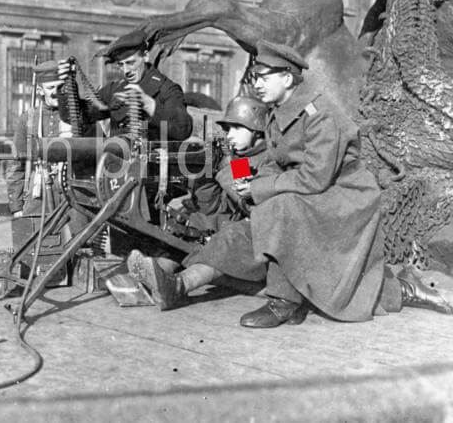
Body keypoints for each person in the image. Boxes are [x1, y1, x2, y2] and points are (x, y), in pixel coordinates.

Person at [129, 39, 453, 326]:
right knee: (250, 227)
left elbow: (316, 176)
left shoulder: (320, 114)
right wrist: (250, 184)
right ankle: (177, 286)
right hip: (312, 195)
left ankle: (284, 301)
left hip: (345, 201)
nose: (256, 83)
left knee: (281, 207)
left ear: (287, 78)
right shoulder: (278, 114)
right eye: (255, 76)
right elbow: (272, 163)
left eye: (263, 76)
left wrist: (256, 187)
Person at [130, 94, 272, 309]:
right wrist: (202, 177)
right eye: (227, 129)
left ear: (257, 130)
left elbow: (253, 209)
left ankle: (178, 285)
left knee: (228, 238)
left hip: (258, 242)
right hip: (233, 231)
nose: (229, 136)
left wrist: (226, 173)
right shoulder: (239, 157)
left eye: (236, 129)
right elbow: (215, 208)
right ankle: (155, 274)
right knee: (193, 221)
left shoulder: (268, 160)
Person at [56, 51, 192, 142]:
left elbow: (182, 130)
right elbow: (76, 117)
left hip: (154, 176)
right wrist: (67, 85)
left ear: (145, 56)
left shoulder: (167, 89)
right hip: (116, 172)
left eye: (130, 63)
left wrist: (149, 105)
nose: (126, 71)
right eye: (120, 65)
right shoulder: (114, 89)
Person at [5, 60, 73, 217]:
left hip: (71, 195)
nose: (56, 92)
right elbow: (16, 164)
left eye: (60, 87)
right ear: (41, 91)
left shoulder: (77, 115)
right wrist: (16, 207)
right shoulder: (28, 118)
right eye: (51, 88)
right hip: (38, 195)